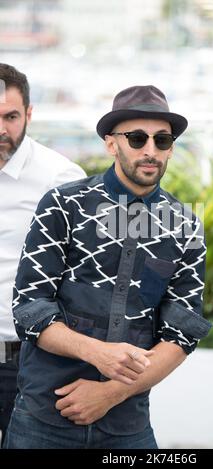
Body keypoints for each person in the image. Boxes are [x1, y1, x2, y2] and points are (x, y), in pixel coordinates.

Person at [4, 85, 212, 449]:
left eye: (162, 140)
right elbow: (30, 308)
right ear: (111, 143)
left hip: (127, 424)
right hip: (43, 419)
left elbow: (181, 332)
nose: (150, 150)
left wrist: (110, 394)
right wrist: (97, 352)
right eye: (136, 138)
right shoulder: (63, 205)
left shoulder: (186, 224)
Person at [0, 63, 86, 445]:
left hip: (27, 365)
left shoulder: (61, 178)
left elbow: (86, 279)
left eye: (11, 116)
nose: (1, 129)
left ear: (29, 114)